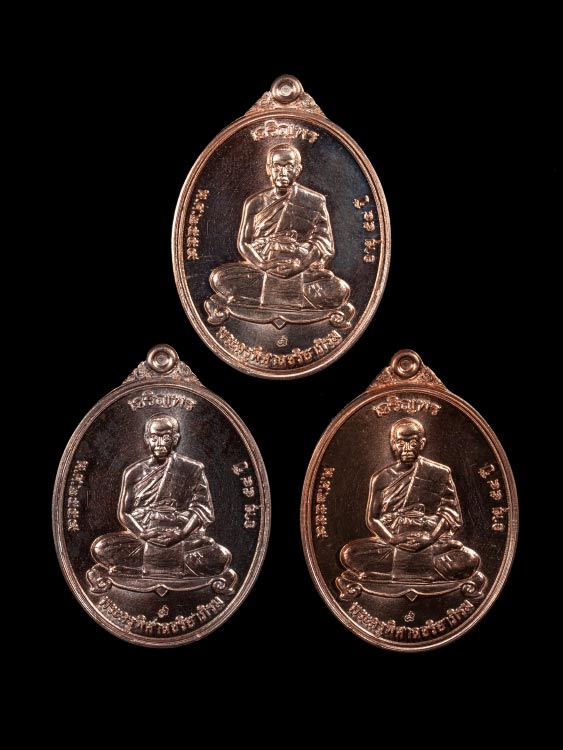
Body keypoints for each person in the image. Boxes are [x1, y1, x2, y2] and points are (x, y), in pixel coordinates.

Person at [207, 143, 351, 314]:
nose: (282, 173)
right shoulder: (255, 203)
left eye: (288, 167)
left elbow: (323, 241)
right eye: (277, 167)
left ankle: (255, 297)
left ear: (297, 170)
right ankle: (290, 296)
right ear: (269, 169)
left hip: (301, 269)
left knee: (339, 290)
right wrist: (263, 265)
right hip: (263, 269)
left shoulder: (314, 201)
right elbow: (244, 243)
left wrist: (301, 266)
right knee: (220, 278)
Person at [91, 414, 232, 579]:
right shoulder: (134, 472)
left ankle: (142, 565)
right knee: (101, 548)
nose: (159, 443)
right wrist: (143, 534)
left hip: (182, 536)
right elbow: (125, 512)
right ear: (147, 439)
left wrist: (181, 534)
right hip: (145, 536)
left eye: (166, 438)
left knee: (220, 556)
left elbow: (202, 508)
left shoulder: (192, 469)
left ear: (175, 439)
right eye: (154, 438)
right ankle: (171, 563)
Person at [340, 418, 481, 582]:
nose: (407, 449)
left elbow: (450, 512)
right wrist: (392, 539)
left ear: (422, 444)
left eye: (413, 443)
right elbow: (373, 518)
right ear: (393, 444)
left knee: (469, 559)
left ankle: (395, 572)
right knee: (350, 554)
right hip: (393, 543)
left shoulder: (440, 473)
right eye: (401, 443)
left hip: (430, 540)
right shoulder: (381, 478)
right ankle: (427, 570)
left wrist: (430, 538)